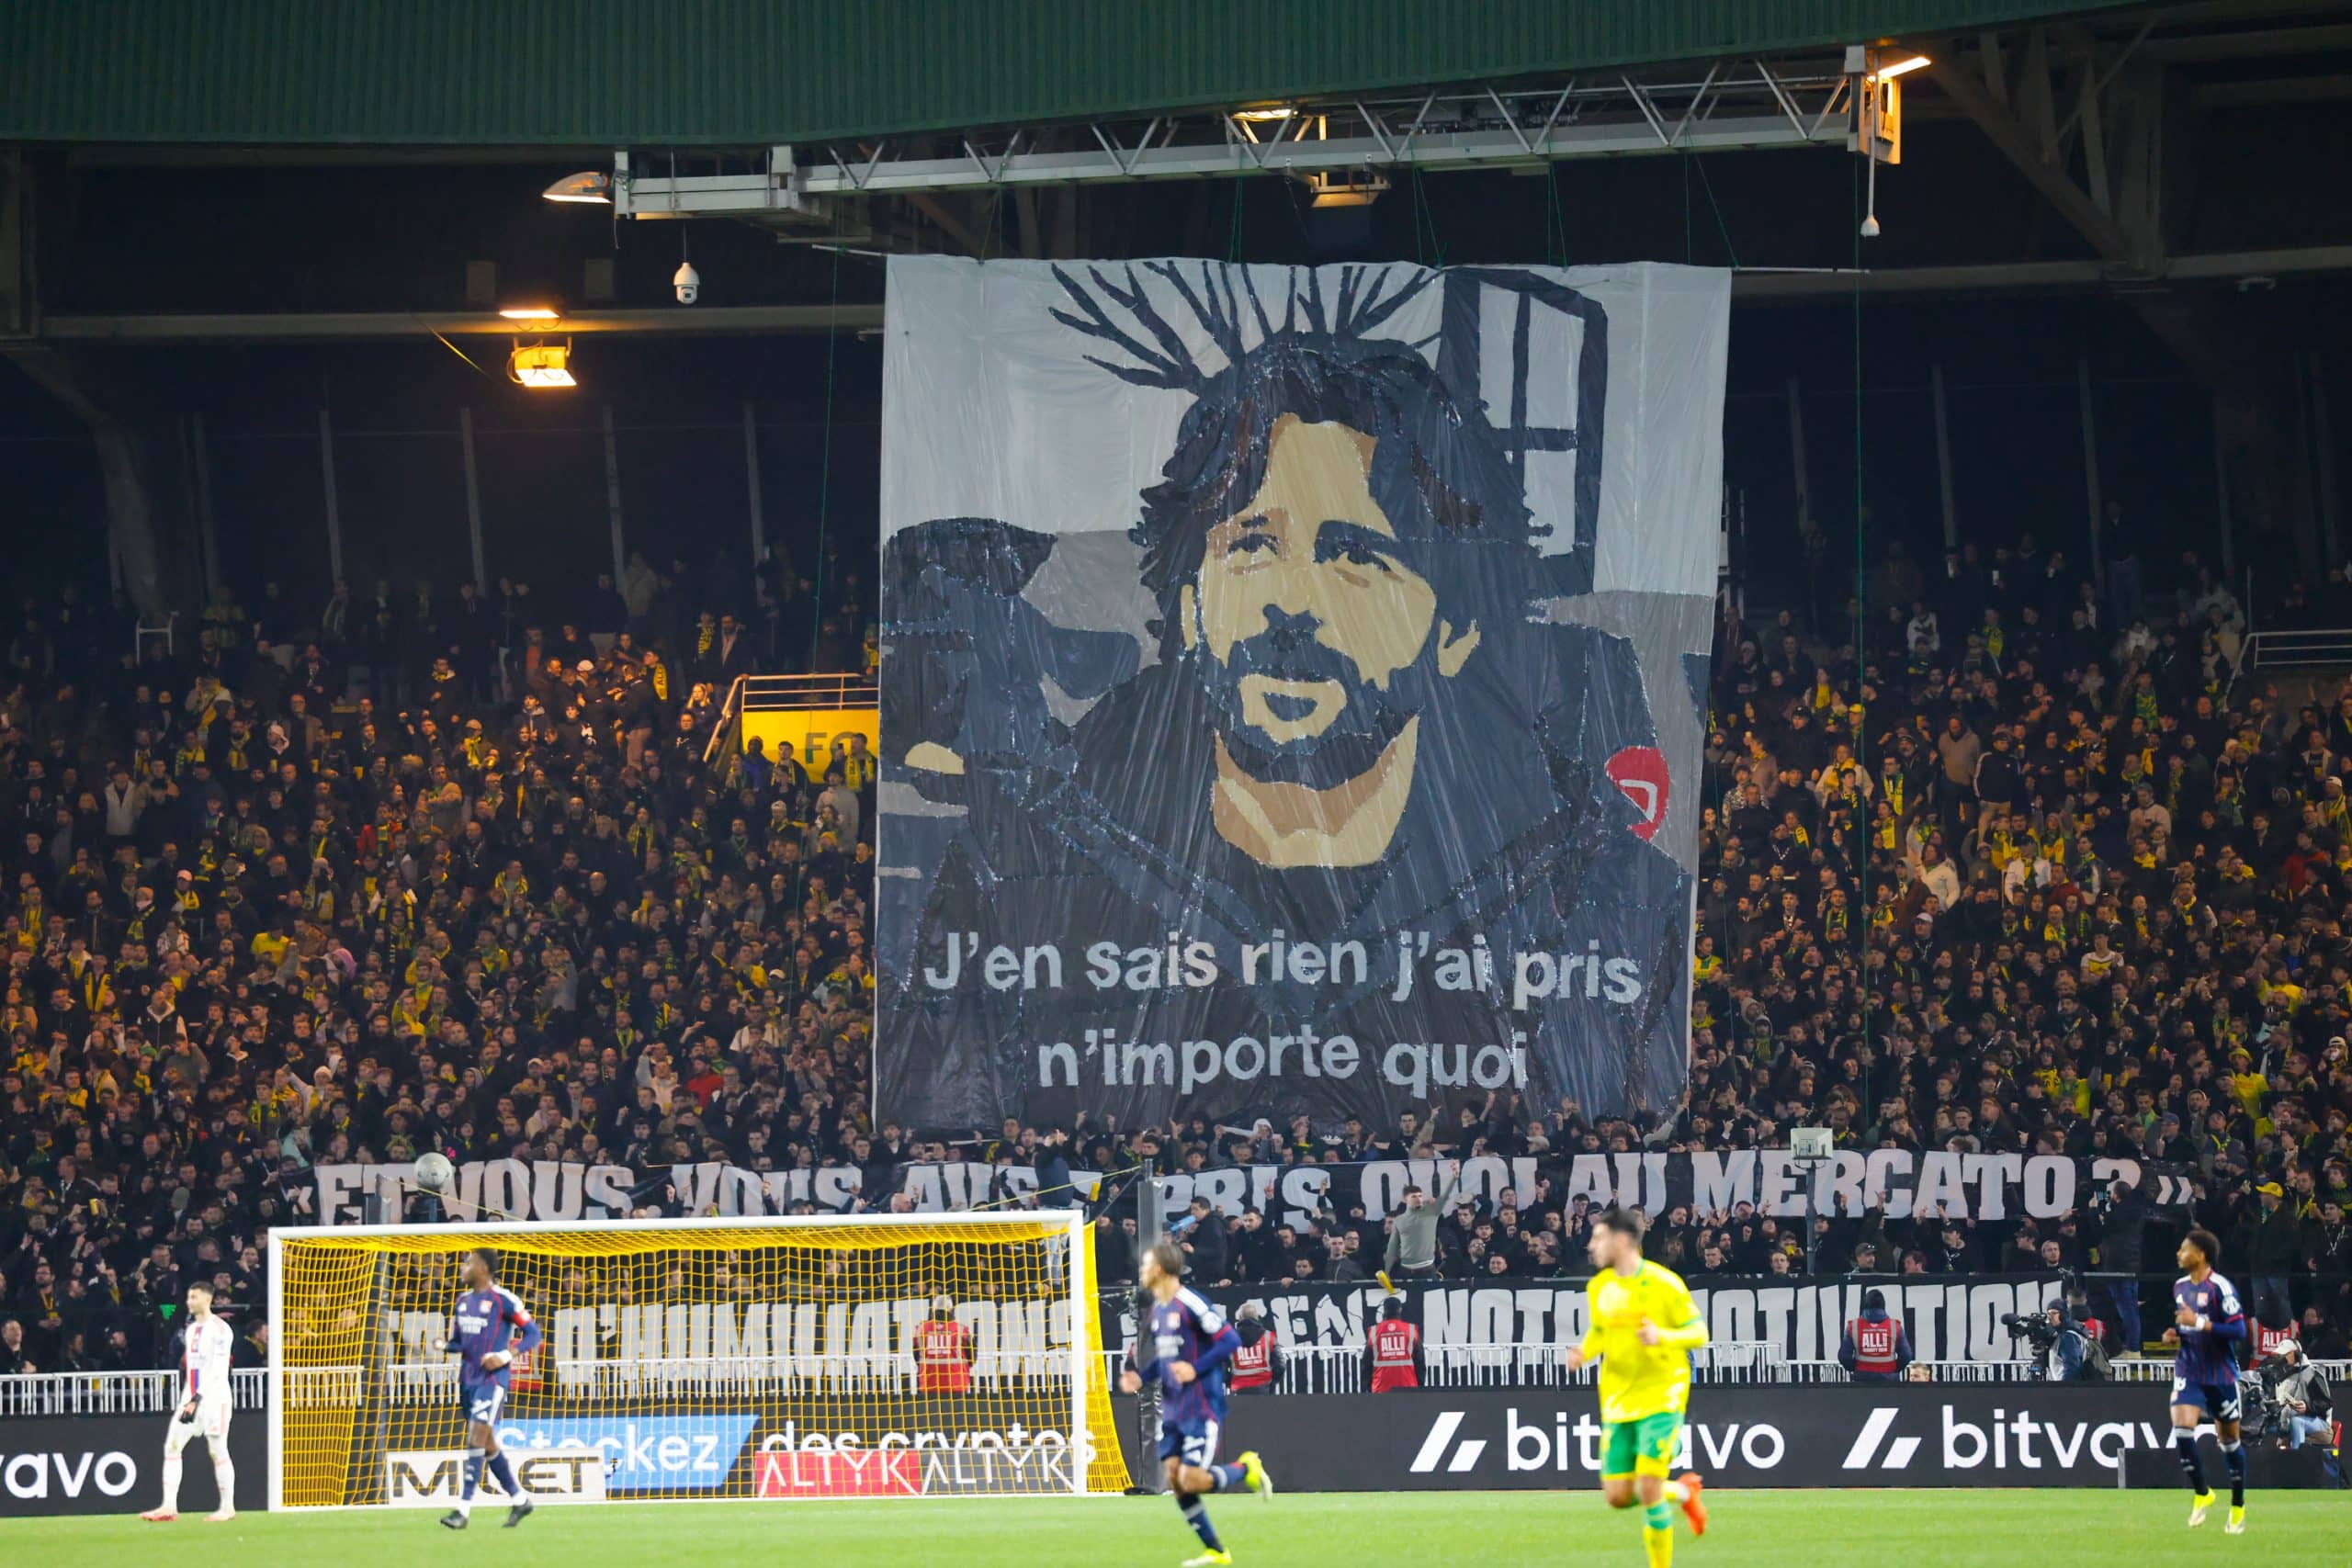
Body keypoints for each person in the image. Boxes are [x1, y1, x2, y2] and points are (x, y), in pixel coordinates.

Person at [1562, 1207, 1710, 1568]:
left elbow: (1699, 1334)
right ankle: (1683, 1491)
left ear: (1622, 1240)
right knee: (1617, 1496)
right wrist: (1584, 1351)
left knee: (1648, 1486)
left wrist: (1663, 1336)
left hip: (1662, 1395)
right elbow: (1601, 1331)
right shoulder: (1599, 1287)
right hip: (1618, 1399)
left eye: (1598, 1238)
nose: (1591, 1246)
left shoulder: (1664, 1283)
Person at [1116, 1238, 1270, 1568]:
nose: (1142, 1270)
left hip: (1200, 1406)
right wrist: (1142, 1377)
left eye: (1146, 1265)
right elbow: (1167, 1358)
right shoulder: (1159, 1309)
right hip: (1174, 1408)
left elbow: (1230, 1339)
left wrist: (1195, 1368)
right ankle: (1216, 1551)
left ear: (1160, 1269)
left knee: (1190, 1480)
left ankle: (1246, 1469)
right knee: (1176, 1481)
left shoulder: (1191, 1302)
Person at [441, 1247, 543, 1530]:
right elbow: (460, 1342)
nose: (463, 1267)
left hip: (493, 1381)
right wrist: (445, 1345)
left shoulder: (504, 1300)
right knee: (487, 1444)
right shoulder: (462, 1301)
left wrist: (506, 1355)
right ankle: (520, 1500)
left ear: (483, 1268)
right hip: (468, 1380)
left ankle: (462, 1511)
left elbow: (533, 1334)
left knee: (475, 1437)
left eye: (468, 1263)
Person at [2162, 1228, 2249, 1534]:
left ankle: (2237, 1507)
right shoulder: (2179, 1287)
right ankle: (2202, 1493)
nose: (2178, 1253)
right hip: (2189, 1370)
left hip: (2220, 1373)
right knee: (2182, 1429)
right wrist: (2175, 1334)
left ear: (2200, 1255)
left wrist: (2198, 1322)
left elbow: (2239, 1332)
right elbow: (2186, 1326)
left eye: (2184, 1249)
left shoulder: (2221, 1288)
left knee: (2229, 1442)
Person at [138, 1281, 238, 1523]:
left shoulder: (221, 1329)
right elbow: (193, 1370)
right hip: (191, 1399)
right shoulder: (191, 1330)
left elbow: (218, 1370)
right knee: (172, 1446)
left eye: (194, 1297)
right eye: (189, 1297)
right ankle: (168, 1507)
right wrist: (187, 1399)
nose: (189, 1301)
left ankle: (227, 1508)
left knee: (217, 1450)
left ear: (207, 1299)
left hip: (215, 1400)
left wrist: (197, 1398)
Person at [2267, 1339, 2344, 1483]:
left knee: (2297, 1421)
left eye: (2284, 1355)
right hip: (2289, 1426)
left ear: (2295, 1354)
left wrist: (2307, 1407)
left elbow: (2327, 1404)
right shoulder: (2282, 1376)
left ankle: (2298, 1466)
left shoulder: (2312, 1375)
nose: (2281, 1359)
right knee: (2264, 1428)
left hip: (2321, 1428)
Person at [1837, 1287, 1914, 1383]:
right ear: (1883, 1306)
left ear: (1865, 1306)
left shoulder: (1853, 1326)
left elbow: (1843, 1356)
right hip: (1890, 1382)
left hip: (1861, 1382)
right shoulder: (1895, 1327)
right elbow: (1907, 1355)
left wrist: (1856, 1369)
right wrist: (1894, 1369)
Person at [915, 1294, 973, 1395]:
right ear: (951, 1309)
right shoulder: (961, 1329)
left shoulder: (920, 1329)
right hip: (956, 1384)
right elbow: (972, 1356)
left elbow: (916, 1356)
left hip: (928, 1384)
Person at [1366, 1296, 1420, 1393]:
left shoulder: (1374, 1331)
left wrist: (1368, 1388)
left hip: (1380, 1388)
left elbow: (1366, 1364)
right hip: (1408, 1387)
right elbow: (1420, 1362)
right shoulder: (1411, 1330)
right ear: (1400, 1309)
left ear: (1384, 1310)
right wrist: (1419, 1387)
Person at [1228, 1303, 1277, 1396]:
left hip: (1239, 1388)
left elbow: (1221, 1365)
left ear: (1240, 1317)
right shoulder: (1268, 1336)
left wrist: (1230, 1382)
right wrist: (1272, 1384)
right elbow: (1279, 1364)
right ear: (1257, 1317)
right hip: (1263, 1388)